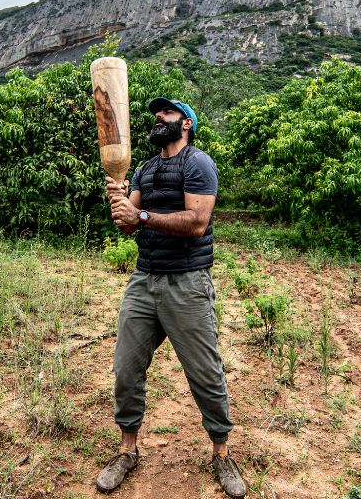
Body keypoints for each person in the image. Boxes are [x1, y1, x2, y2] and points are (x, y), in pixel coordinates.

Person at [96, 97, 247, 498]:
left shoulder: (199, 164)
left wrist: (141, 216)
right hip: (144, 280)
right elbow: (128, 224)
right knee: (126, 370)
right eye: (157, 113)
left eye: (167, 113)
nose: (159, 117)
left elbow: (197, 223)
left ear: (186, 124)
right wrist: (121, 200)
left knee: (205, 374)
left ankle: (221, 452)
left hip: (188, 284)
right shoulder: (144, 168)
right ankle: (127, 451)